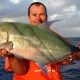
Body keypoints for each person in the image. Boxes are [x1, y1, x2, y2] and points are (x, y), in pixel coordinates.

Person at [0, 2, 80, 80]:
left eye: (41, 14)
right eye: (34, 15)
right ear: (29, 17)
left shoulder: (56, 37)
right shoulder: (16, 35)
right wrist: (11, 57)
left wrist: (74, 55)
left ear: (46, 17)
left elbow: (63, 61)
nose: (38, 18)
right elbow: (20, 71)